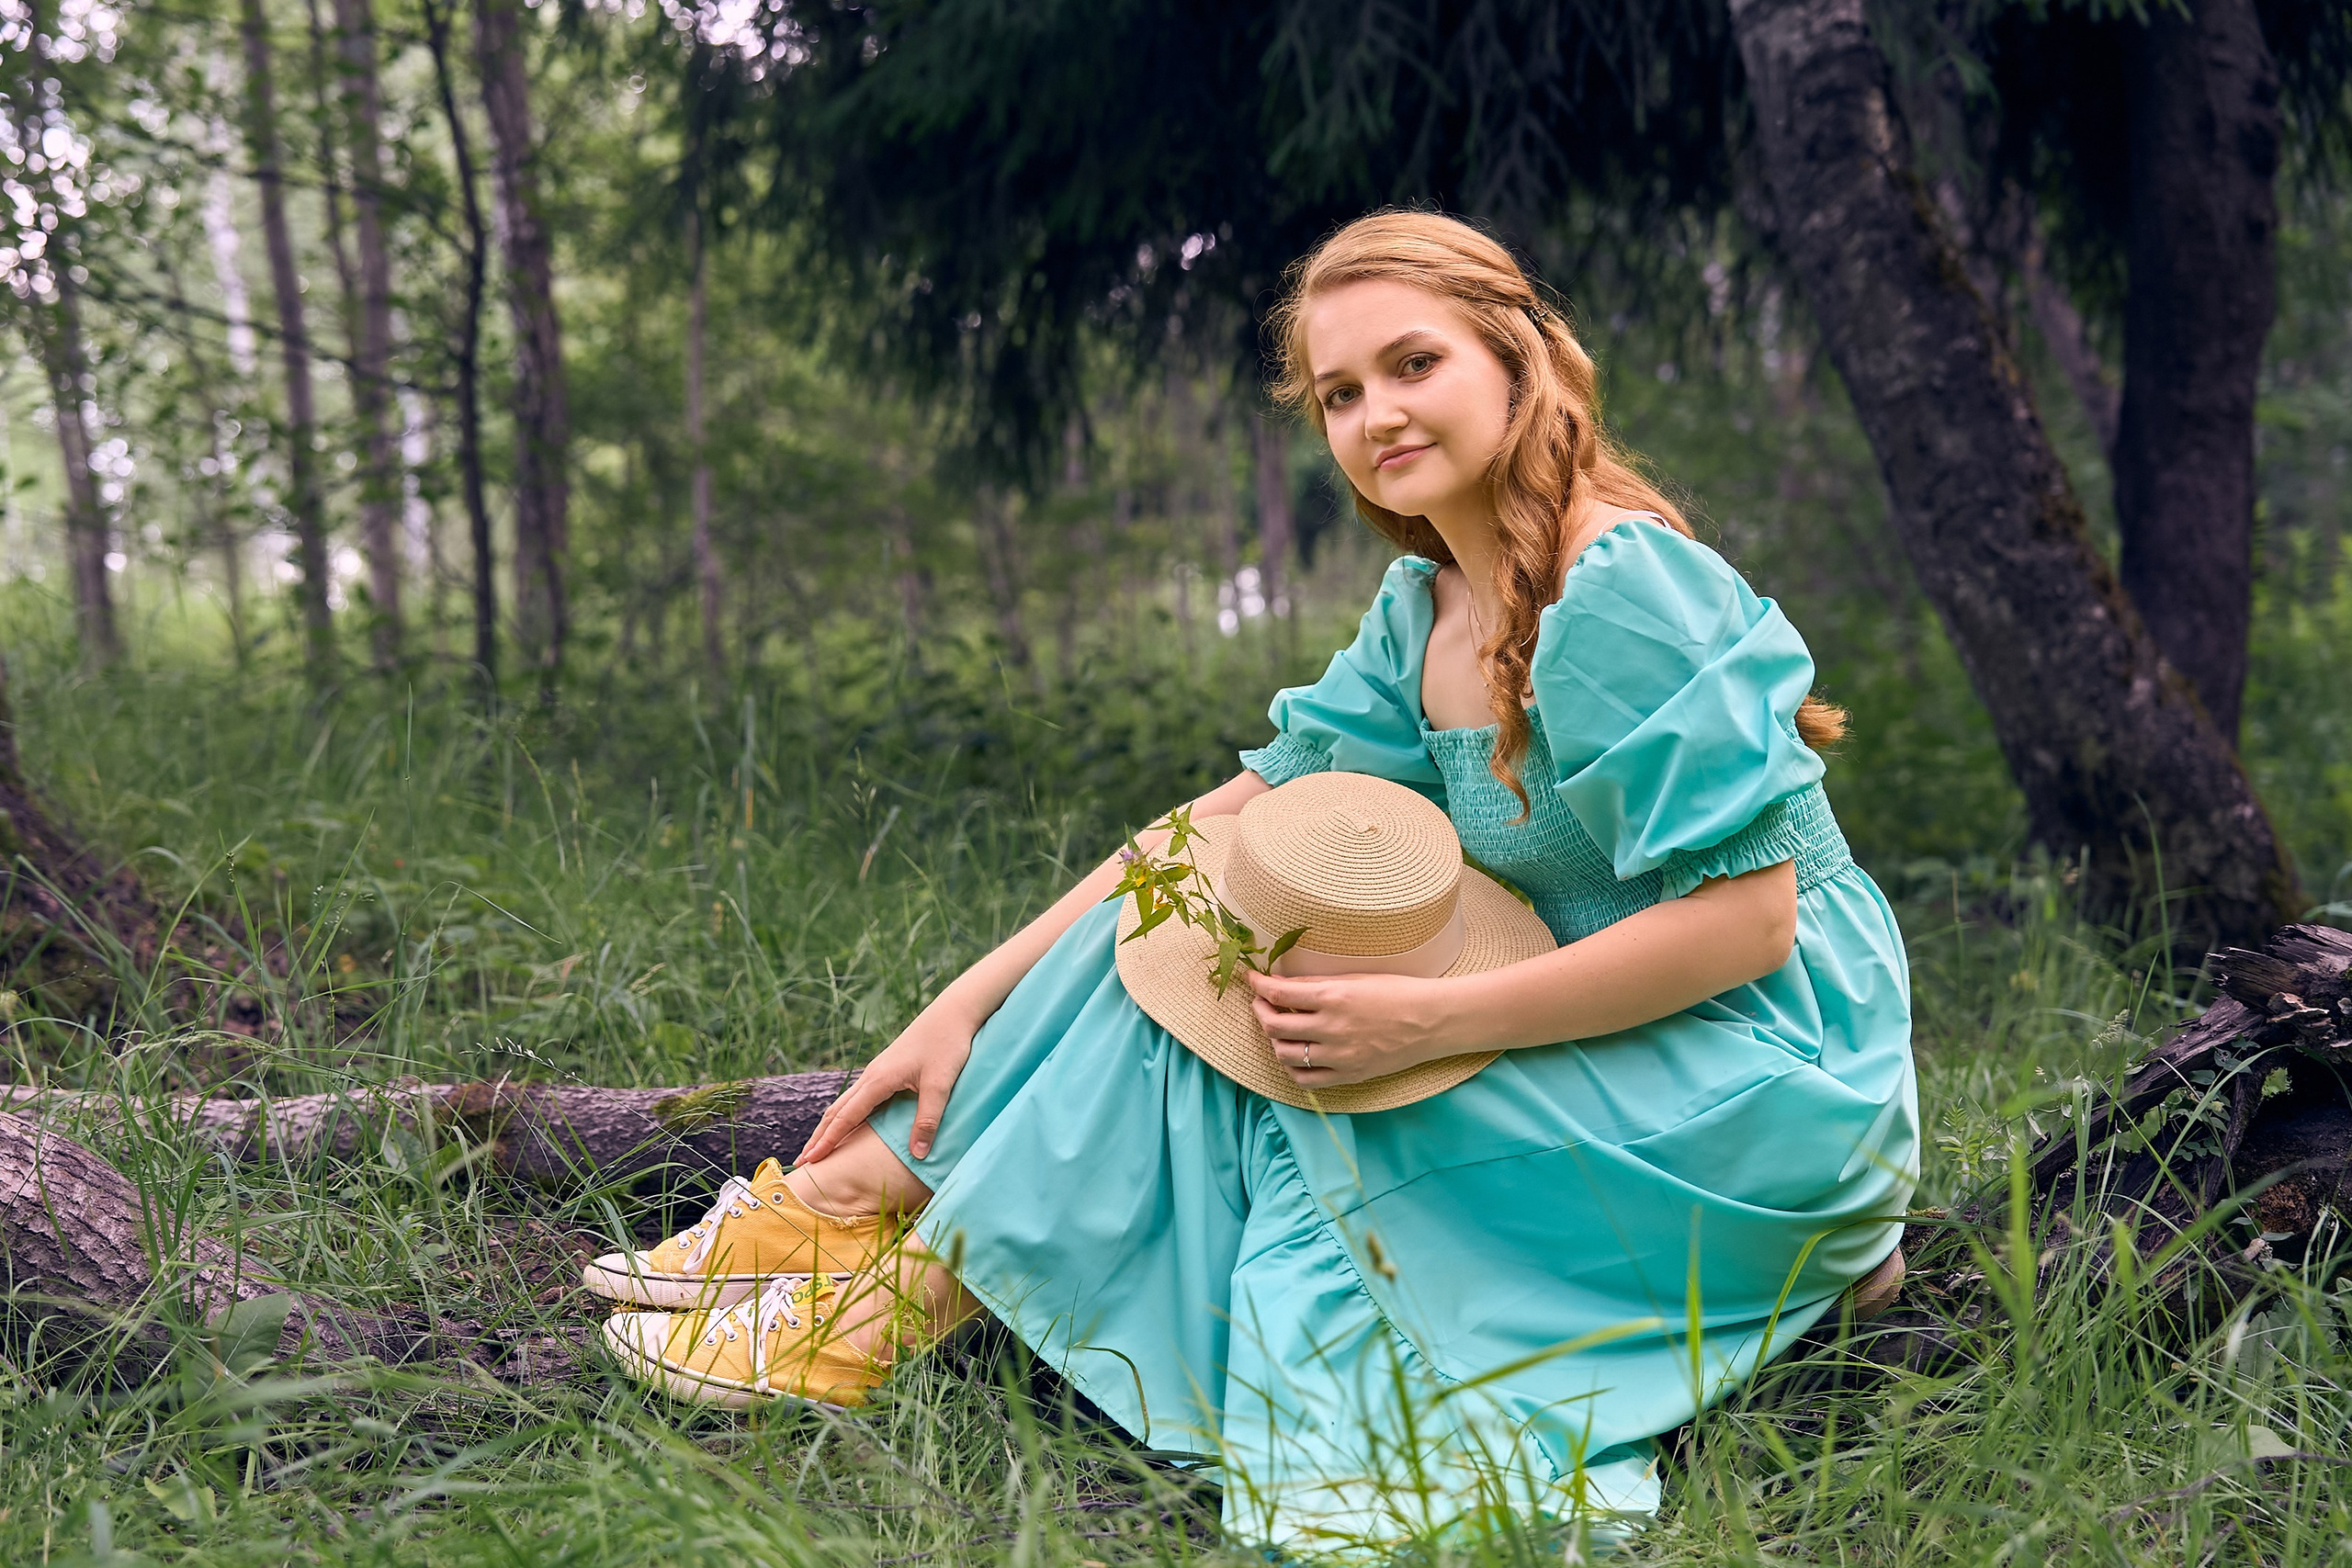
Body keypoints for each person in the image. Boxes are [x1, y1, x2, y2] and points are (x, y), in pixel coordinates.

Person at [591, 209, 1919, 1552]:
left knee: (1307, 1073)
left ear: (1517, 362)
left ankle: (907, 1281)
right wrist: (961, 1002)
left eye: (1414, 364)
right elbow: (1209, 831)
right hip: (1589, 1013)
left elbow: (1752, 927)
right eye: (1340, 393)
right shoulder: (1429, 607)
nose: (1378, 414)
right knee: (1201, 920)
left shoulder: (1619, 587)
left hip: (1756, 1061)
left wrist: (1429, 1023)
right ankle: (855, 1207)